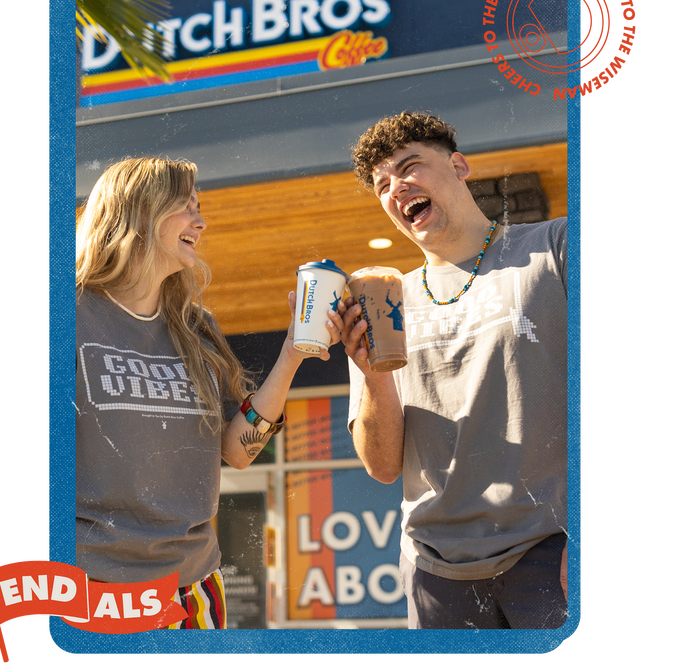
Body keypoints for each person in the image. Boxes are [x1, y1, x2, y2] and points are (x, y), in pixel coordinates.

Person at [75, 157, 337, 629]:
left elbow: (237, 452)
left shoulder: (197, 328)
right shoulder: (69, 315)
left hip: (193, 592)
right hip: (90, 592)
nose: (202, 221)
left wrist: (292, 354)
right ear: (138, 212)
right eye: (185, 207)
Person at [337, 111, 568, 629]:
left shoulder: (555, 248)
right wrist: (373, 372)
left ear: (459, 166)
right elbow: (382, 466)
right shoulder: (384, 304)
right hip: (434, 574)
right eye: (382, 185)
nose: (396, 188)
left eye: (410, 166)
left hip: (551, 552)